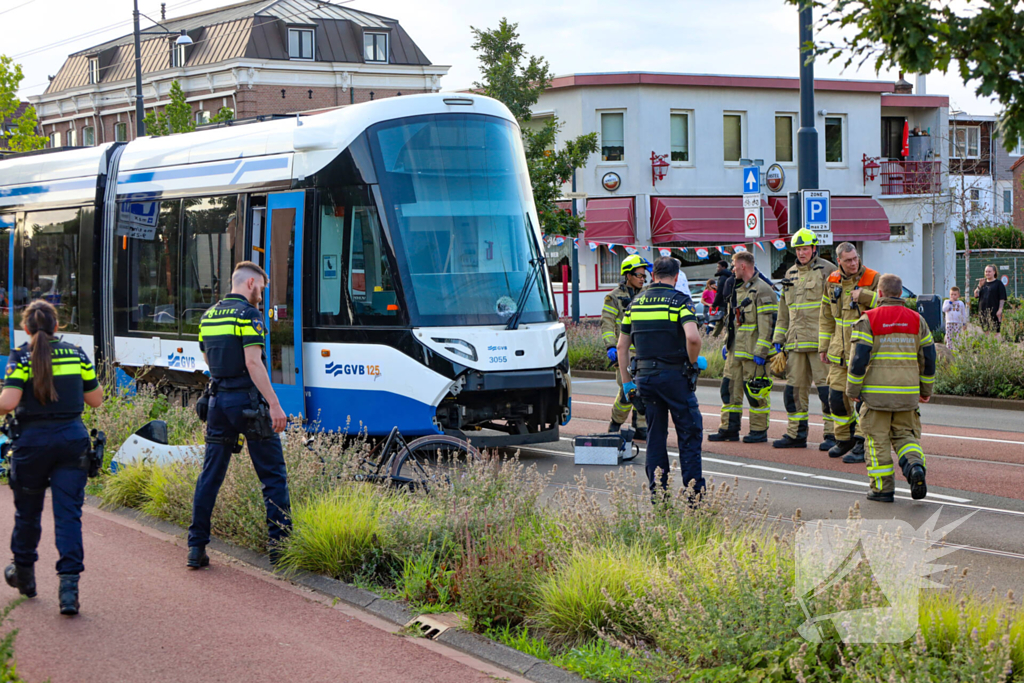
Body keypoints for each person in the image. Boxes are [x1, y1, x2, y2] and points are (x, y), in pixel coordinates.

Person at [1, 300, 104, 616]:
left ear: (25, 328)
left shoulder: (21, 355)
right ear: (57, 326)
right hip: (72, 442)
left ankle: (25, 576)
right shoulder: (76, 352)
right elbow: (96, 400)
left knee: (28, 514)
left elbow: (9, 402)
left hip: (32, 445)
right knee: (68, 514)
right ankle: (69, 590)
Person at [188, 261, 291, 569]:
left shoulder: (208, 317)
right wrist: (274, 404)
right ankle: (280, 550)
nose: (262, 294)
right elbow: (253, 362)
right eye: (261, 287)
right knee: (272, 476)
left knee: (210, 476)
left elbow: (207, 357)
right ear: (249, 284)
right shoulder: (249, 314)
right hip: (248, 404)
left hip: (218, 403)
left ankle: (196, 548)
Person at [615, 257, 705, 498]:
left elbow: (622, 347)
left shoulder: (635, 303)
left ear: (653, 276)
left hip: (645, 379)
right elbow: (693, 338)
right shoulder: (680, 301)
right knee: (689, 433)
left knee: (655, 436)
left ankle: (659, 495)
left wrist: (627, 383)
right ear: (676, 277)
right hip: (675, 377)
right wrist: (693, 362)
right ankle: (694, 497)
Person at [846, 274, 934, 502]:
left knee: (876, 441)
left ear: (881, 293)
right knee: (906, 436)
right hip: (907, 396)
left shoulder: (868, 320)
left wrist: (853, 391)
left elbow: (858, 361)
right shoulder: (917, 320)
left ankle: (882, 489)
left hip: (876, 398)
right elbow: (929, 358)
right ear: (901, 294)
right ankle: (915, 466)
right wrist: (926, 390)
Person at [772, 229, 837, 450]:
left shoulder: (828, 271)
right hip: (795, 343)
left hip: (821, 344)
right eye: (798, 249)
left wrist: (835, 342)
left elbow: (836, 310)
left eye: (805, 248)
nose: (801, 253)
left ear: (814, 248)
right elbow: (783, 313)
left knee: (827, 391)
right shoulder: (789, 274)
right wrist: (778, 340)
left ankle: (833, 435)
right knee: (794, 391)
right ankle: (796, 434)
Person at [818, 242, 880, 463]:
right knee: (835, 397)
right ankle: (844, 439)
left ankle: (863, 443)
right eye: (848, 260)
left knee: (862, 399)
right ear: (839, 262)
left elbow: (884, 304)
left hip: (863, 352)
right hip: (838, 351)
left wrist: (864, 296)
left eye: (855, 258)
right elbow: (826, 317)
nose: (853, 263)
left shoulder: (873, 278)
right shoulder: (832, 280)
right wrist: (823, 347)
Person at [708, 251, 778, 443]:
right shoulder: (736, 288)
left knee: (756, 393)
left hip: (754, 354)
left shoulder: (763, 290)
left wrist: (762, 352)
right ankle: (729, 429)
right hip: (734, 352)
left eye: (733, 264)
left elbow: (769, 325)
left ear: (743, 266)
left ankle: (758, 431)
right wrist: (727, 344)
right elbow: (732, 320)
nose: (732, 268)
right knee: (728, 390)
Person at [601, 254, 650, 439]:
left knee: (643, 388)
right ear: (628, 275)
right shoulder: (613, 297)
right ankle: (616, 423)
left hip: (644, 350)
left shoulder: (647, 295)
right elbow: (607, 323)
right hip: (624, 351)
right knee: (627, 390)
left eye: (644, 276)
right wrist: (610, 346)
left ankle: (641, 427)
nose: (642, 279)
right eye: (639, 275)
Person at [974, 265, 1007, 333]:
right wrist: (979, 286)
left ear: (994, 272)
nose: (987, 273)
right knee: (985, 331)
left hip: (994, 311)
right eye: (986, 271)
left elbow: (1002, 298)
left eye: (989, 271)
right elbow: (976, 294)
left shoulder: (998, 284)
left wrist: (1000, 310)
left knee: (995, 331)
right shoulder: (983, 283)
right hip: (983, 311)